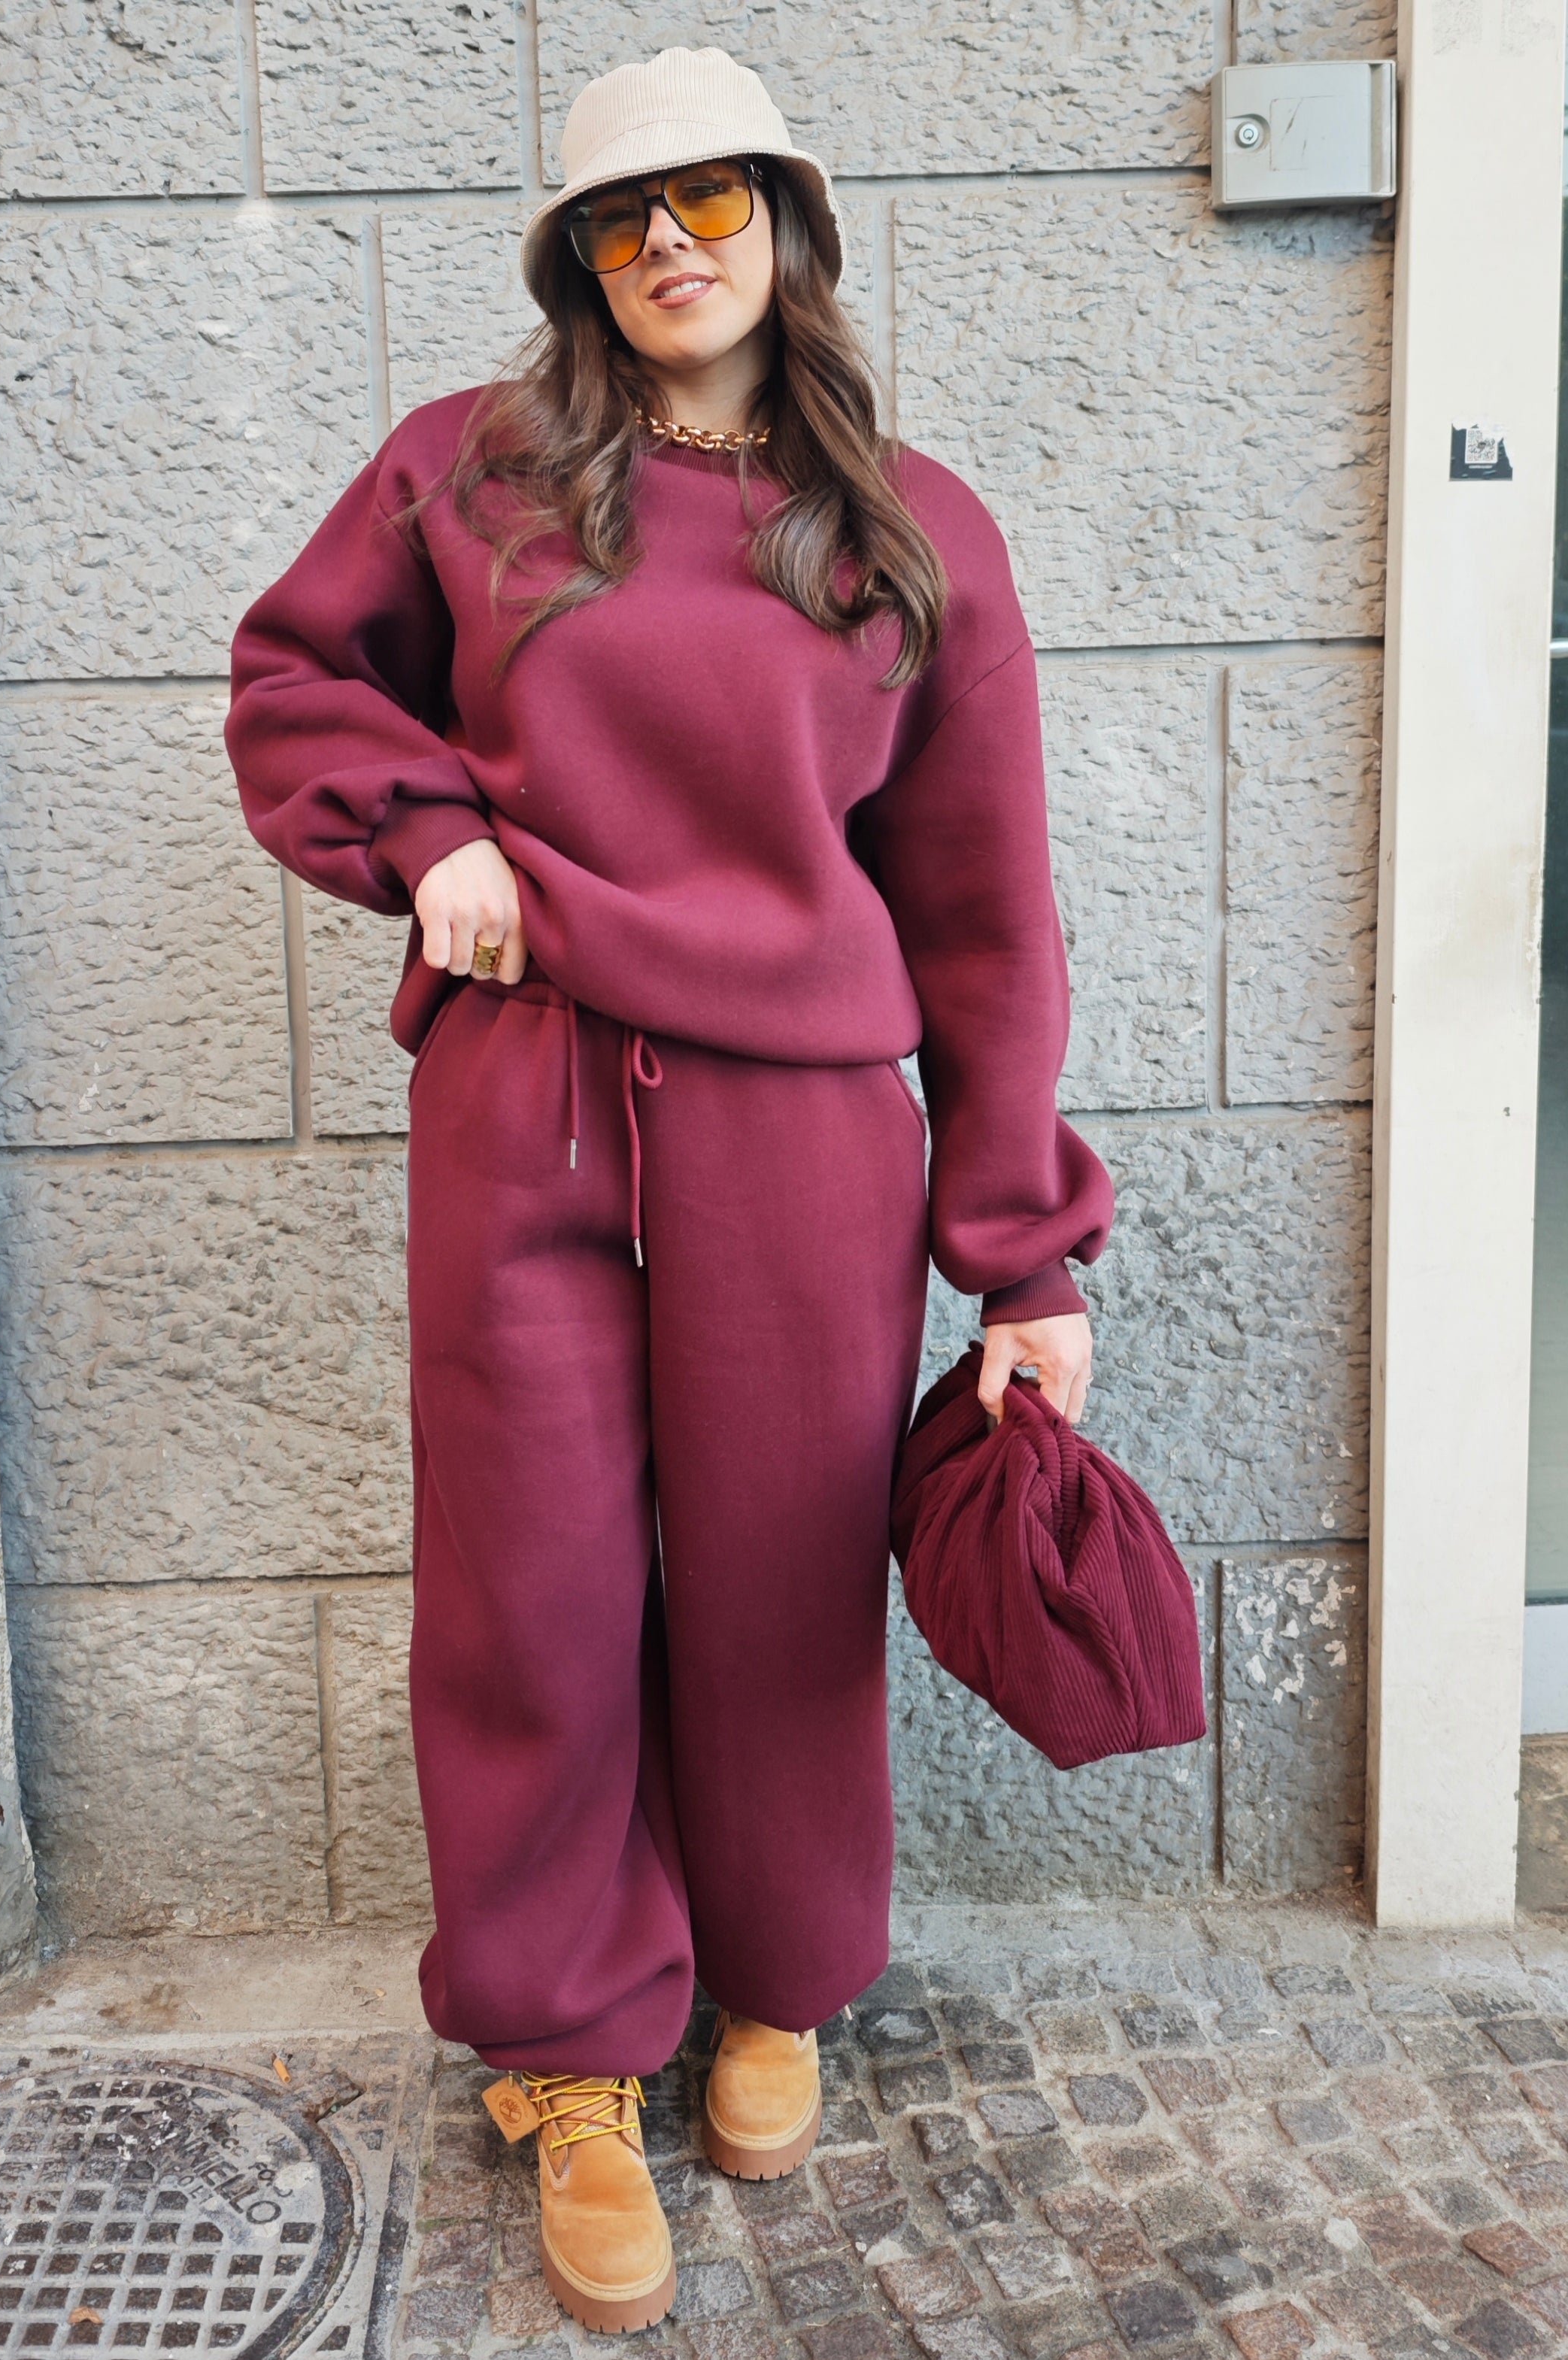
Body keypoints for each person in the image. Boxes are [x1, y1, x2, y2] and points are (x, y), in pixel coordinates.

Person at [226, 44, 1113, 2335]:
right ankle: (567, 2045)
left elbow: (984, 917)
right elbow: (296, 681)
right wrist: (432, 836)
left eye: (711, 198)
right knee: (525, 1584)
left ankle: (777, 1976)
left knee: (778, 1572)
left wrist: (1023, 1254)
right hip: (523, 1087)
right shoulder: (471, 473)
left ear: (789, 225)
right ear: (574, 261)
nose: (668, 244)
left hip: (801, 1129)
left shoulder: (910, 533)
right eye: (621, 215)